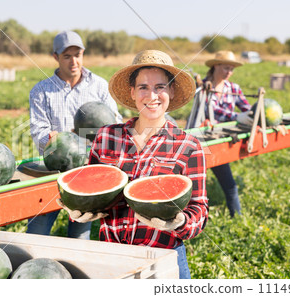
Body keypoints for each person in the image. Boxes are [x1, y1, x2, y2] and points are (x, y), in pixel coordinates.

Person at [57, 50, 208, 279]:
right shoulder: (107, 136)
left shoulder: (188, 146)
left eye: (160, 87)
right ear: (132, 92)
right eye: (143, 87)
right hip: (111, 259)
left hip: (163, 260)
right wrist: (78, 212)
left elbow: (199, 209)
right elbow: (91, 189)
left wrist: (180, 222)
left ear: (172, 91)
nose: (152, 95)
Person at [28, 31, 122, 239]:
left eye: (77, 55)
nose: (74, 61)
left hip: (88, 169)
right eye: (67, 56)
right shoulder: (41, 91)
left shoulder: (99, 86)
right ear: (55, 57)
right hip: (53, 170)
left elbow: (115, 122)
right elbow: (38, 130)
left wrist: (97, 136)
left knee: (81, 234)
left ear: (83, 55)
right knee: (36, 233)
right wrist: (51, 138)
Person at [203, 50, 253, 217]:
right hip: (203, 141)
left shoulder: (233, 88)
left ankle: (237, 220)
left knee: (229, 184)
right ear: (215, 66)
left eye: (232, 69)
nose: (229, 72)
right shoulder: (203, 87)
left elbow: (247, 108)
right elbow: (212, 109)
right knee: (192, 186)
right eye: (225, 68)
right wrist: (237, 116)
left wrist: (259, 114)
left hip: (221, 142)